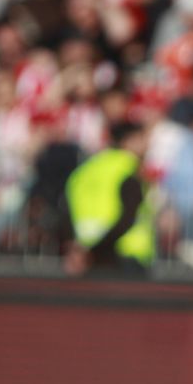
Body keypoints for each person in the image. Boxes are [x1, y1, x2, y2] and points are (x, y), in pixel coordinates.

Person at [65, 119, 153, 277]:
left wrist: (81, 250)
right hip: (125, 257)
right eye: (142, 139)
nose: (147, 145)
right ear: (129, 141)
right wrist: (95, 249)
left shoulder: (85, 170)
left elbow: (66, 210)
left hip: (86, 260)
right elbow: (128, 218)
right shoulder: (130, 170)